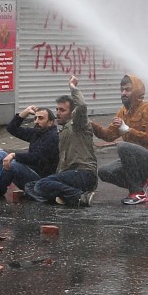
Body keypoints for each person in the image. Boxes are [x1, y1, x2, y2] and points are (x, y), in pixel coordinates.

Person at [24, 76, 98, 206]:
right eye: (57, 109)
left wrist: (72, 87)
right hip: (70, 175)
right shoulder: (63, 131)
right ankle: (66, 197)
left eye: (62, 110)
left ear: (72, 112)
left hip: (84, 174)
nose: (57, 113)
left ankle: (80, 197)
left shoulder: (78, 125)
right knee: (31, 186)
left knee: (41, 185)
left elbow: (81, 106)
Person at [92, 74, 148, 205]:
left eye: (127, 89)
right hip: (135, 161)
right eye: (122, 90)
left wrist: (127, 129)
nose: (123, 93)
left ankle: (138, 193)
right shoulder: (123, 112)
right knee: (104, 172)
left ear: (137, 91)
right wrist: (90, 124)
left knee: (123, 146)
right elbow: (108, 135)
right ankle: (140, 183)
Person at [0, 105, 59, 198]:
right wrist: (25, 112)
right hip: (30, 173)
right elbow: (12, 128)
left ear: (50, 122)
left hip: (40, 181)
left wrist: (14, 155)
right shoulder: (37, 133)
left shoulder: (53, 137)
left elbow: (36, 158)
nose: (36, 121)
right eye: (35, 118)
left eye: (41, 118)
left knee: (13, 164)